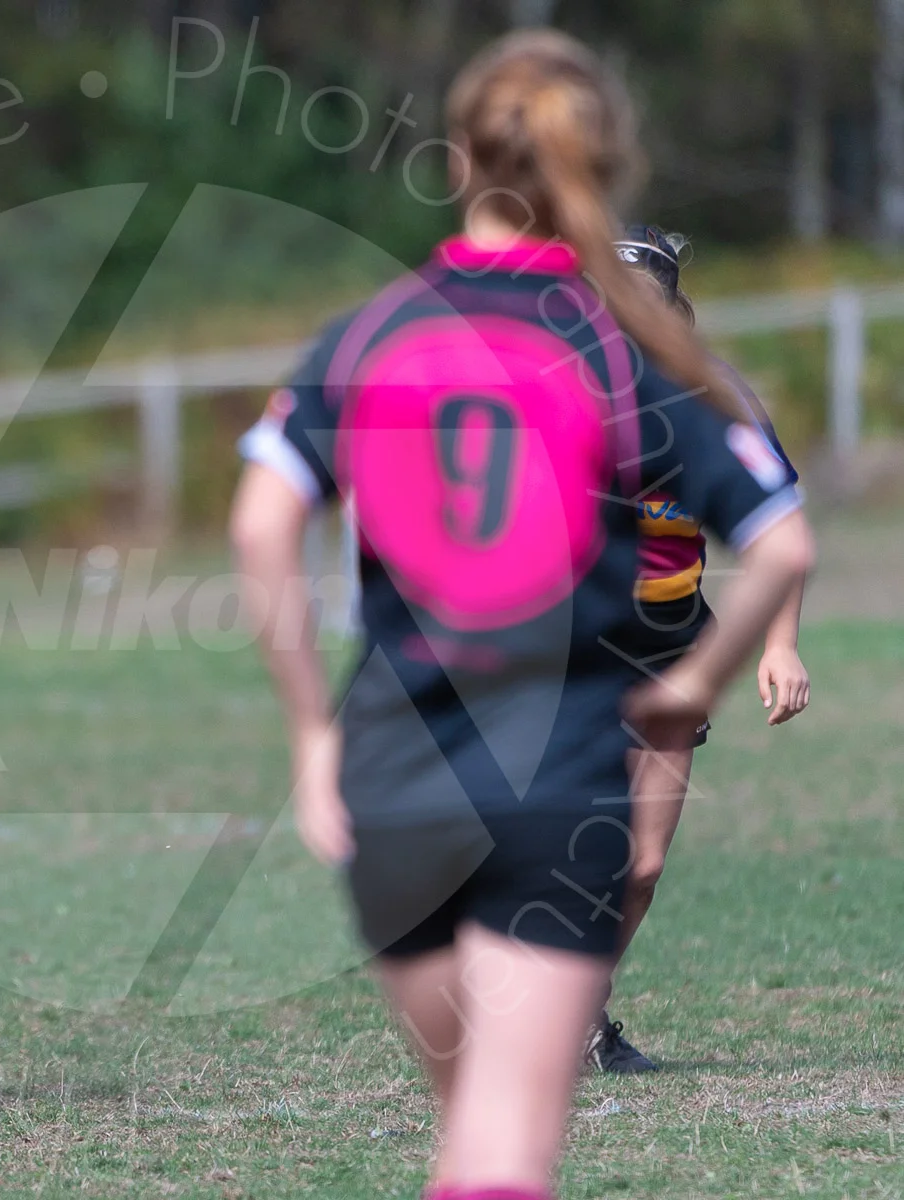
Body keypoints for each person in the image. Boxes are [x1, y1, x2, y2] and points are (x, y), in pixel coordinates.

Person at [228, 30, 814, 1200]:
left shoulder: (373, 329)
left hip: (394, 775)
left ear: (457, 158)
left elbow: (257, 528)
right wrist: (697, 683)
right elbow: (785, 538)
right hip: (560, 780)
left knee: (469, 1132)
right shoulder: (626, 348)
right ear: (603, 166)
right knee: (503, 1156)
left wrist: (308, 731)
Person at [588, 225, 811, 1073]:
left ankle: (580, 1018)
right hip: (571, 643)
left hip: (677, 645)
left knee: (639, 866)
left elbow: (778, 523)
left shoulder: (717, 403)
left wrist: (779, 645)